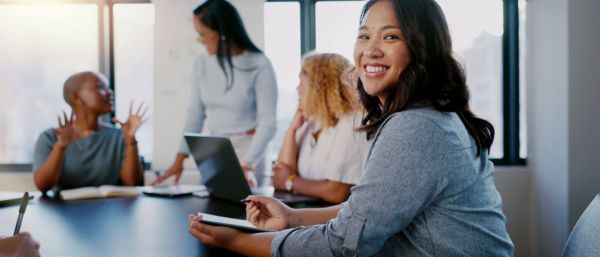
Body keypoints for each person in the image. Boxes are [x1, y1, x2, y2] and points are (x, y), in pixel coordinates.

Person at [187, 0, 515, 256]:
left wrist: (234, 241)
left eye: (390, 36)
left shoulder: (415, 127)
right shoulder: (422, 116)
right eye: (364, 36)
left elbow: (343, 243)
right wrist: (293, 217)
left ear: (420, 48)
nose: (370, 49)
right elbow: (366, 211)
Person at [151, 0, 277, 188]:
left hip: (250, 149)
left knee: (251, 211)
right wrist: (179, 160)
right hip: (216, 150)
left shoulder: (260, 64)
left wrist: (248, 163)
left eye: (203, 34)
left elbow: (267, 122)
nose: (199, 40)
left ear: (223, 32)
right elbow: (195, 115)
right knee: (213, 209)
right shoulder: (201, 62)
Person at [271, 53, 371, 204]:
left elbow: (336, 192)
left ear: (318, 87)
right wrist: (292, 130)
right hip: (307, 210)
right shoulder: (312, 123)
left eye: (301, 82)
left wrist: (290, 182)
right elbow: (281, 171)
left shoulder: (352, 123)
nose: (297, 88)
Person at [33, 72, 146, 192]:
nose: (110, 92)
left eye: (108, 87)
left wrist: (130, 138)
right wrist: (61, 146)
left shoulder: (119, 135)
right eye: (100, 87)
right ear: (76, 98)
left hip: (110, 208)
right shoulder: (50, 137)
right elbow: (43, 186)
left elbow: (132, 182)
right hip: (64, 209)